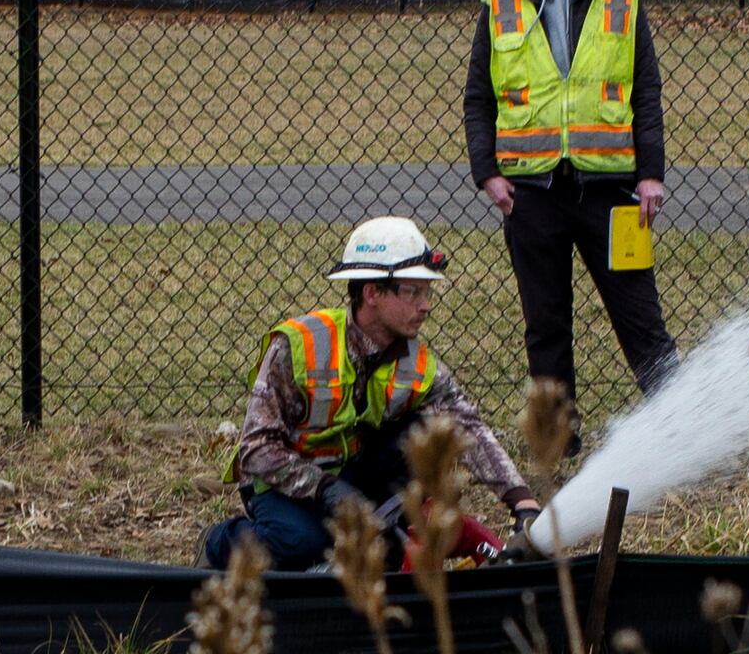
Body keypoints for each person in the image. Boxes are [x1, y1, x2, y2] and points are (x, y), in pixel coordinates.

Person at [205, 216, 540, 573]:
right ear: (372, 293)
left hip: (354, 477)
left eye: (427, 292)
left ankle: (379, 537)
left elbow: (467, 429)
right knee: (301, 546)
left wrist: (522, 503)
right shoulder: (300, 346)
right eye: (412, 291)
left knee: (422, 436)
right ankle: (219, 542)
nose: (425, 305)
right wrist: (325, 489)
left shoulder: (419, 364)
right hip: (282, 485)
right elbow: (255, 450)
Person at [467, 0, 678, 400]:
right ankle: (556, 441)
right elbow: (479, 99)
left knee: (640, 320)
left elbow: (645, 93)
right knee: (546, 327)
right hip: (531, 195)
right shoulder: (499, 7)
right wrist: (487, 174)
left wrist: (650, 174)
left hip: (610, 191)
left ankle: (674, 418)